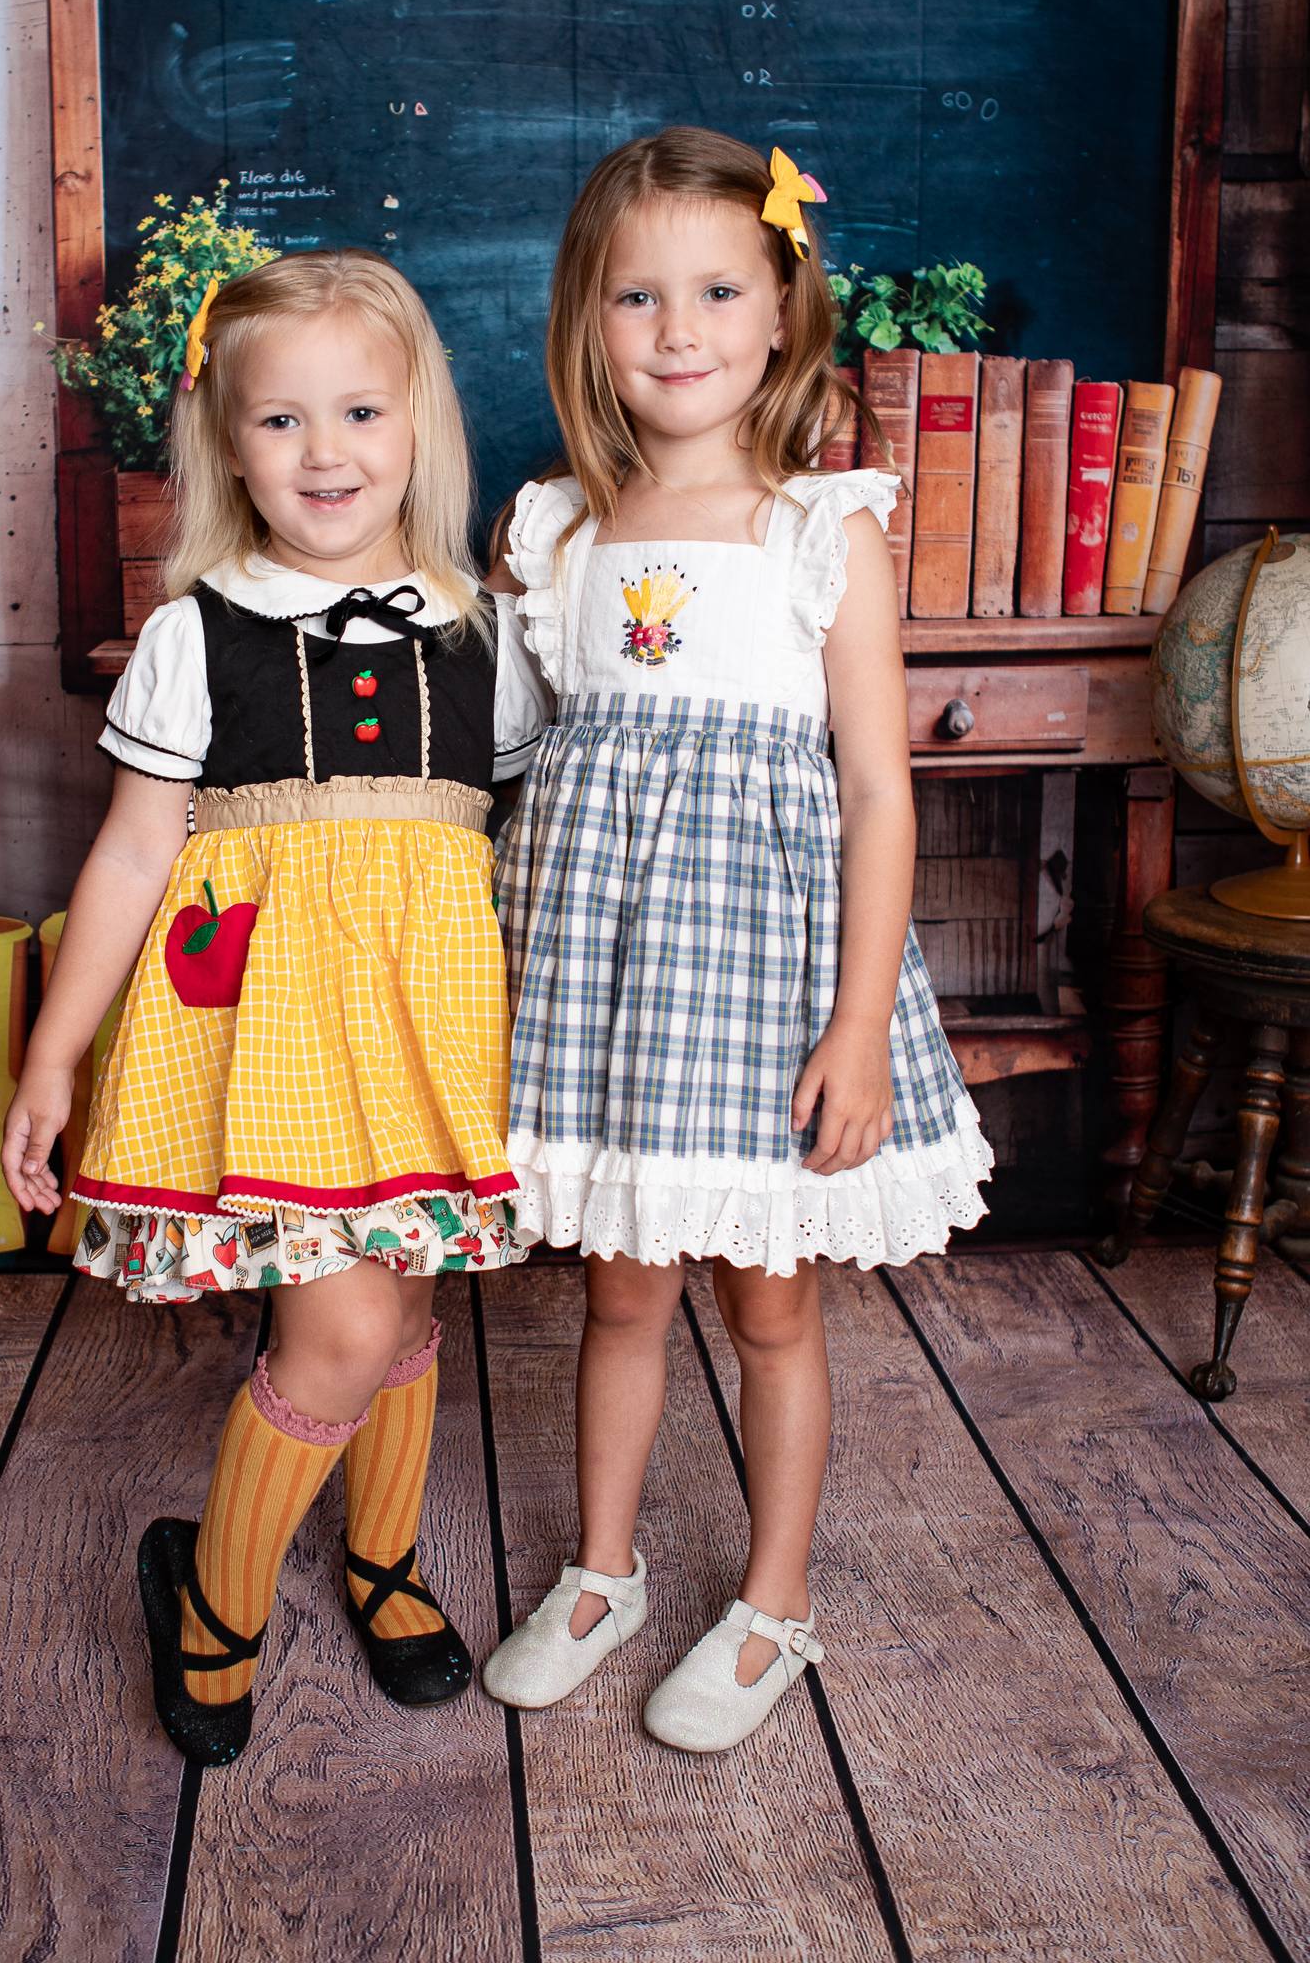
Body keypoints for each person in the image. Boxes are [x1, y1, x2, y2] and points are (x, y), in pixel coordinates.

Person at [1, 248, 548, 1766]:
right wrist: (55, 1052)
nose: (327, 454)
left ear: (420, 425)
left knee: (406, 1303)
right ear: (225, 442)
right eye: (282, 422)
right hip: (270, 1036)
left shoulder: (485, 635)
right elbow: (128, 854)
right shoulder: (200, 634)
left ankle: (378, 1564)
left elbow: (512, 853)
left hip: (426, 1032)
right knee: (339, 1332)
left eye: (362, 412)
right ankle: (214, 1600)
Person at [481, 128, 992, 1752]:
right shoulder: (558, 531)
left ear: (783, 312)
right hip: (614, 991)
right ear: (588, 320)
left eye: (715, 290)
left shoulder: (818, 529)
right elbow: (505, 764)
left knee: (770, 1305)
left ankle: (776, 1605)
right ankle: (602, 1572)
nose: (678, 329)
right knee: (619, 1297)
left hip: (766, 991)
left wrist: (854, 1029)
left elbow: (879, 797)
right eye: (638, 296)